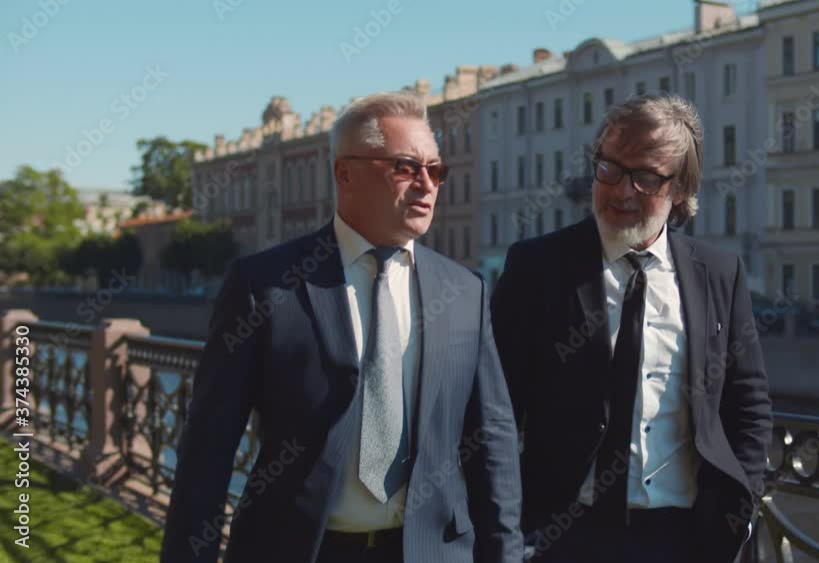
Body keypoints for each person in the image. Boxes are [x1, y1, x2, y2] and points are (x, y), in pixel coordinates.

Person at [161, 92, 523, 563]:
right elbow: (208, 449)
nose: (427, 185)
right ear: (345, 174)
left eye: (435, 170)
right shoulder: (265, 285)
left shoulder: (464, 291)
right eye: (405, 167)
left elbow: (492, 438)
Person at [490, 94, 772, 563]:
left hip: (684, 536)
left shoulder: (718, 274)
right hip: (562, 534)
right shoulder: (537, 267)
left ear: (680, 188)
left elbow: (749, 401)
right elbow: (494, 410)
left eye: (645, 178)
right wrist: (506, 532)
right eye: (610, 169)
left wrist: (739, 509)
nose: (622, 191)